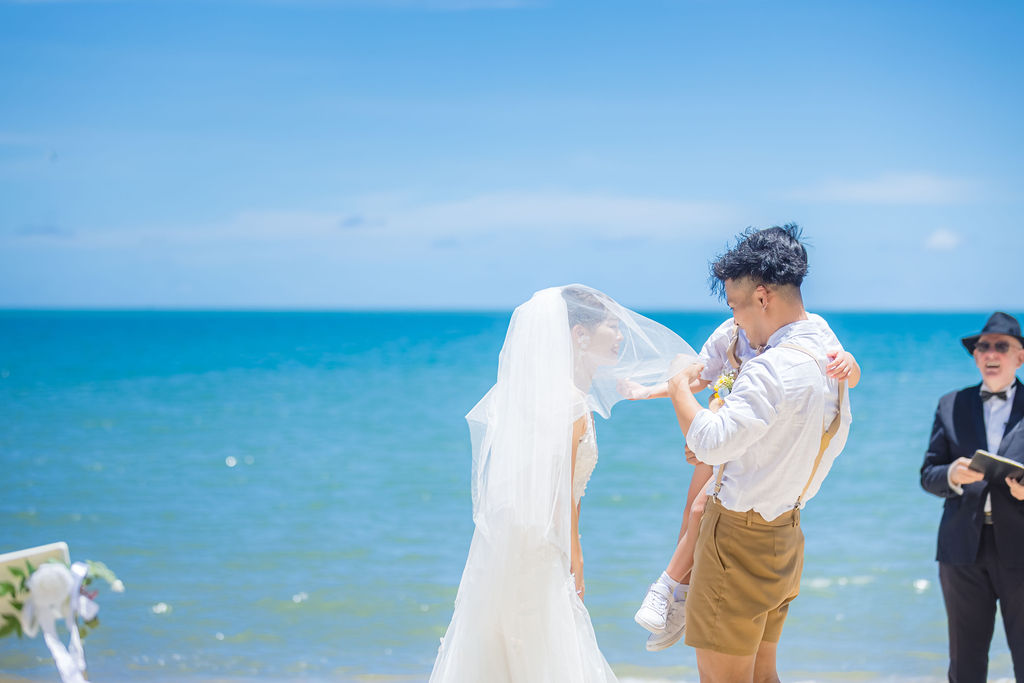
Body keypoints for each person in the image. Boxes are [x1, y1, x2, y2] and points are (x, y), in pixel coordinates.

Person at [430, 284, 697, 682]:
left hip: (525, 543)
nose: (621, 336)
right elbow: (560, 493)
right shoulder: (570, 404)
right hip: (544, 549)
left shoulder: (555, 398)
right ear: (580, 335)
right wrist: (576, 559)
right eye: (612, 327)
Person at [665, 224, 852, 682]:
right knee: (765, 676)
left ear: (762, 297)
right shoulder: (825, 348)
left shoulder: (770, 369)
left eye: (735, 307)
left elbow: (710, 442)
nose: (735, 321)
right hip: (785, 533)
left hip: (737, 538)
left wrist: (677, 388)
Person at [631, 314, 861, 652]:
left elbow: (846, 379)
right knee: (690, 514)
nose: (735, 309)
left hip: (752, 446)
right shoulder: (730, 331)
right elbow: (700, 376)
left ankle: (664, 588)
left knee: (701, 510)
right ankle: (680, 597)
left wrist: (850, 363)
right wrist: (650, 392)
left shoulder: (807, 331)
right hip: (722, 431)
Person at [919, 311, 1024, 682]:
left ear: (1020, 356)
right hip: (961, 551)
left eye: (1001, 346)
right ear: (976, 356)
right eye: (983, 346)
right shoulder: (951, 404)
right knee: (965, 666)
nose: (991, 353)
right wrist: (952, 474)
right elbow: (928, 474)